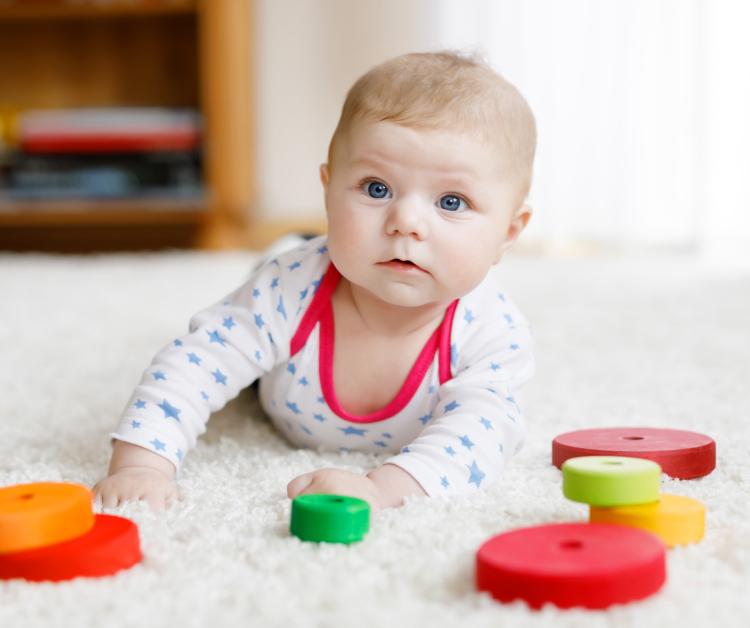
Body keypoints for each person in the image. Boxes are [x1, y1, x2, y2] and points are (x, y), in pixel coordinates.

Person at [93, 51, 536, 512]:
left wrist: (383, 489)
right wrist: (140, 466)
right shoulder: (289, 288)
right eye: (376, 188)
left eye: (451, 201)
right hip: (302, 269)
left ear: (508, 232)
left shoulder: (492, 332)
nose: (406, 223)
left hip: (331, 267)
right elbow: (196, 363)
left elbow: (481, 436)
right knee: (279, 266)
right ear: (327, 189)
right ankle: (292, 242)